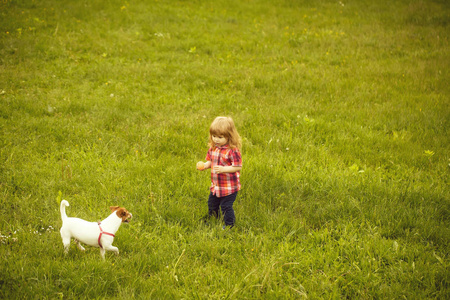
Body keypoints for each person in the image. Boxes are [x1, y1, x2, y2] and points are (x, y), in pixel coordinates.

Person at [197, 116, 243, 229]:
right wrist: (204, 166)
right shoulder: (213, 148)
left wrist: (223, 169)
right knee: (212, 204)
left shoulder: (232, 150)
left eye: (220, 137)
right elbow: (210, 162)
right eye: (214, 136)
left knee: (226, 206)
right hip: (216, 186)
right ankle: (213, 219)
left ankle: (229, 225)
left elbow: (237, 167)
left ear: (229, 136)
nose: (216, 139)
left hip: (229, 187)